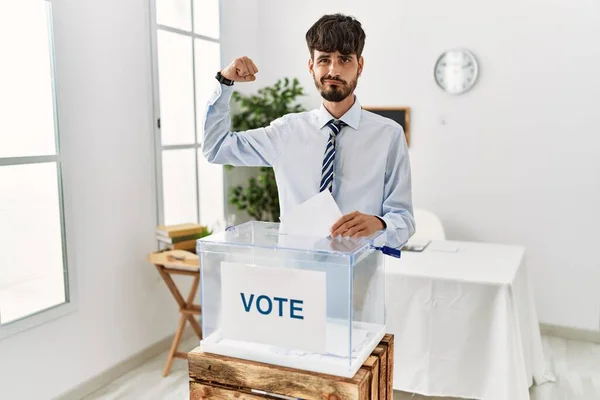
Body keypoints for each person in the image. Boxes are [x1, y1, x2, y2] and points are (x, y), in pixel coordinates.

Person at [202, 13, 415, 249]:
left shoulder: (388, 136)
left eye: (344, 59)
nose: (333, 70)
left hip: (361, 275)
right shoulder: (286, 132)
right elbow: (216, 148)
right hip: (299, 272)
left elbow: (404, 220)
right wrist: (224, 83)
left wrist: (379, 223)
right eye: (324, 59)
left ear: (360, 65)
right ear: (311, 66)